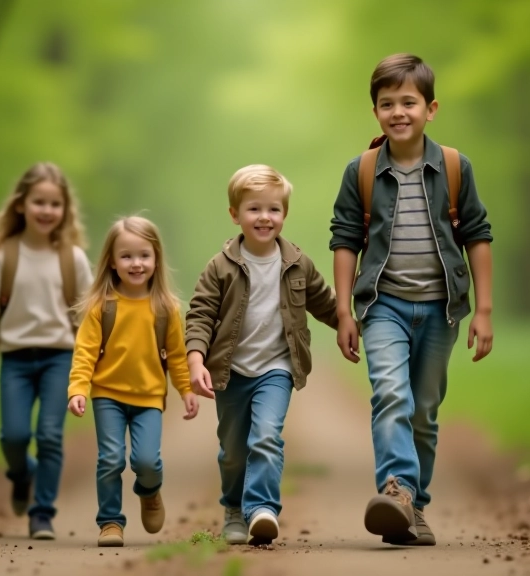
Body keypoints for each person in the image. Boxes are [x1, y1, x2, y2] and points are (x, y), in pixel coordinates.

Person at [329, 53, 495, 546]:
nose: (398, 112)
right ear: (375, 111)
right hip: (383, 305)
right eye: (386, 104)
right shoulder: (360, 172)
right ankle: (396, 489)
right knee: (391, 395)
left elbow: (478, 235)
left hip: (442, 307)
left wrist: (483, 310)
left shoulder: (452, 167)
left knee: (423, 409)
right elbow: (344, 240)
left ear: (431, 108)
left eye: (408, 102)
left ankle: (413, 509)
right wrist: (344, 311)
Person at [185, 164, 339, 545]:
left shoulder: (297, 263)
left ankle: (262, 510)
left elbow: (326, 304)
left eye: (274, 209)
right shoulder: (220, 267)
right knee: (234, 451)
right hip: (231, 371)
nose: (264, 217)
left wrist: (353, 327)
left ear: (284, 214)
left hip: (276, 368)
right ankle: (234, 509)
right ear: (235, 215)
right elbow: (200, 314)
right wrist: (195, 358)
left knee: (266, 436)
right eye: (254, 209)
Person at [0, 162, 92, 540]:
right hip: (17, 359)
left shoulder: (74, 258)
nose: (47, 210)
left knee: (50, 434)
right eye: (39, 202)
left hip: (60, 357)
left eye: (55, 203)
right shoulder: (4, 255)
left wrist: (94, 359)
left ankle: (42, 514)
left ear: (65, 210)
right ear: (21, 204)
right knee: (14, 436)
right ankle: (23, 474)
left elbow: (91, 312)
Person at [67, 215, 199, 548]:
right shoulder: (102, 306)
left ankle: (149, 491)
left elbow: (177, 355)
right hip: (107, 395)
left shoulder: (166, 308)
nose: (136, 263)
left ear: (156, 259)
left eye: (144, 255)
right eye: (126, 256)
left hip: (149, 398)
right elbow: (84, 352)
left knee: (146, 462)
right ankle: (111, 521)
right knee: (110, 459)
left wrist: (186, 390)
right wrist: (78, 389)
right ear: (112, 261)